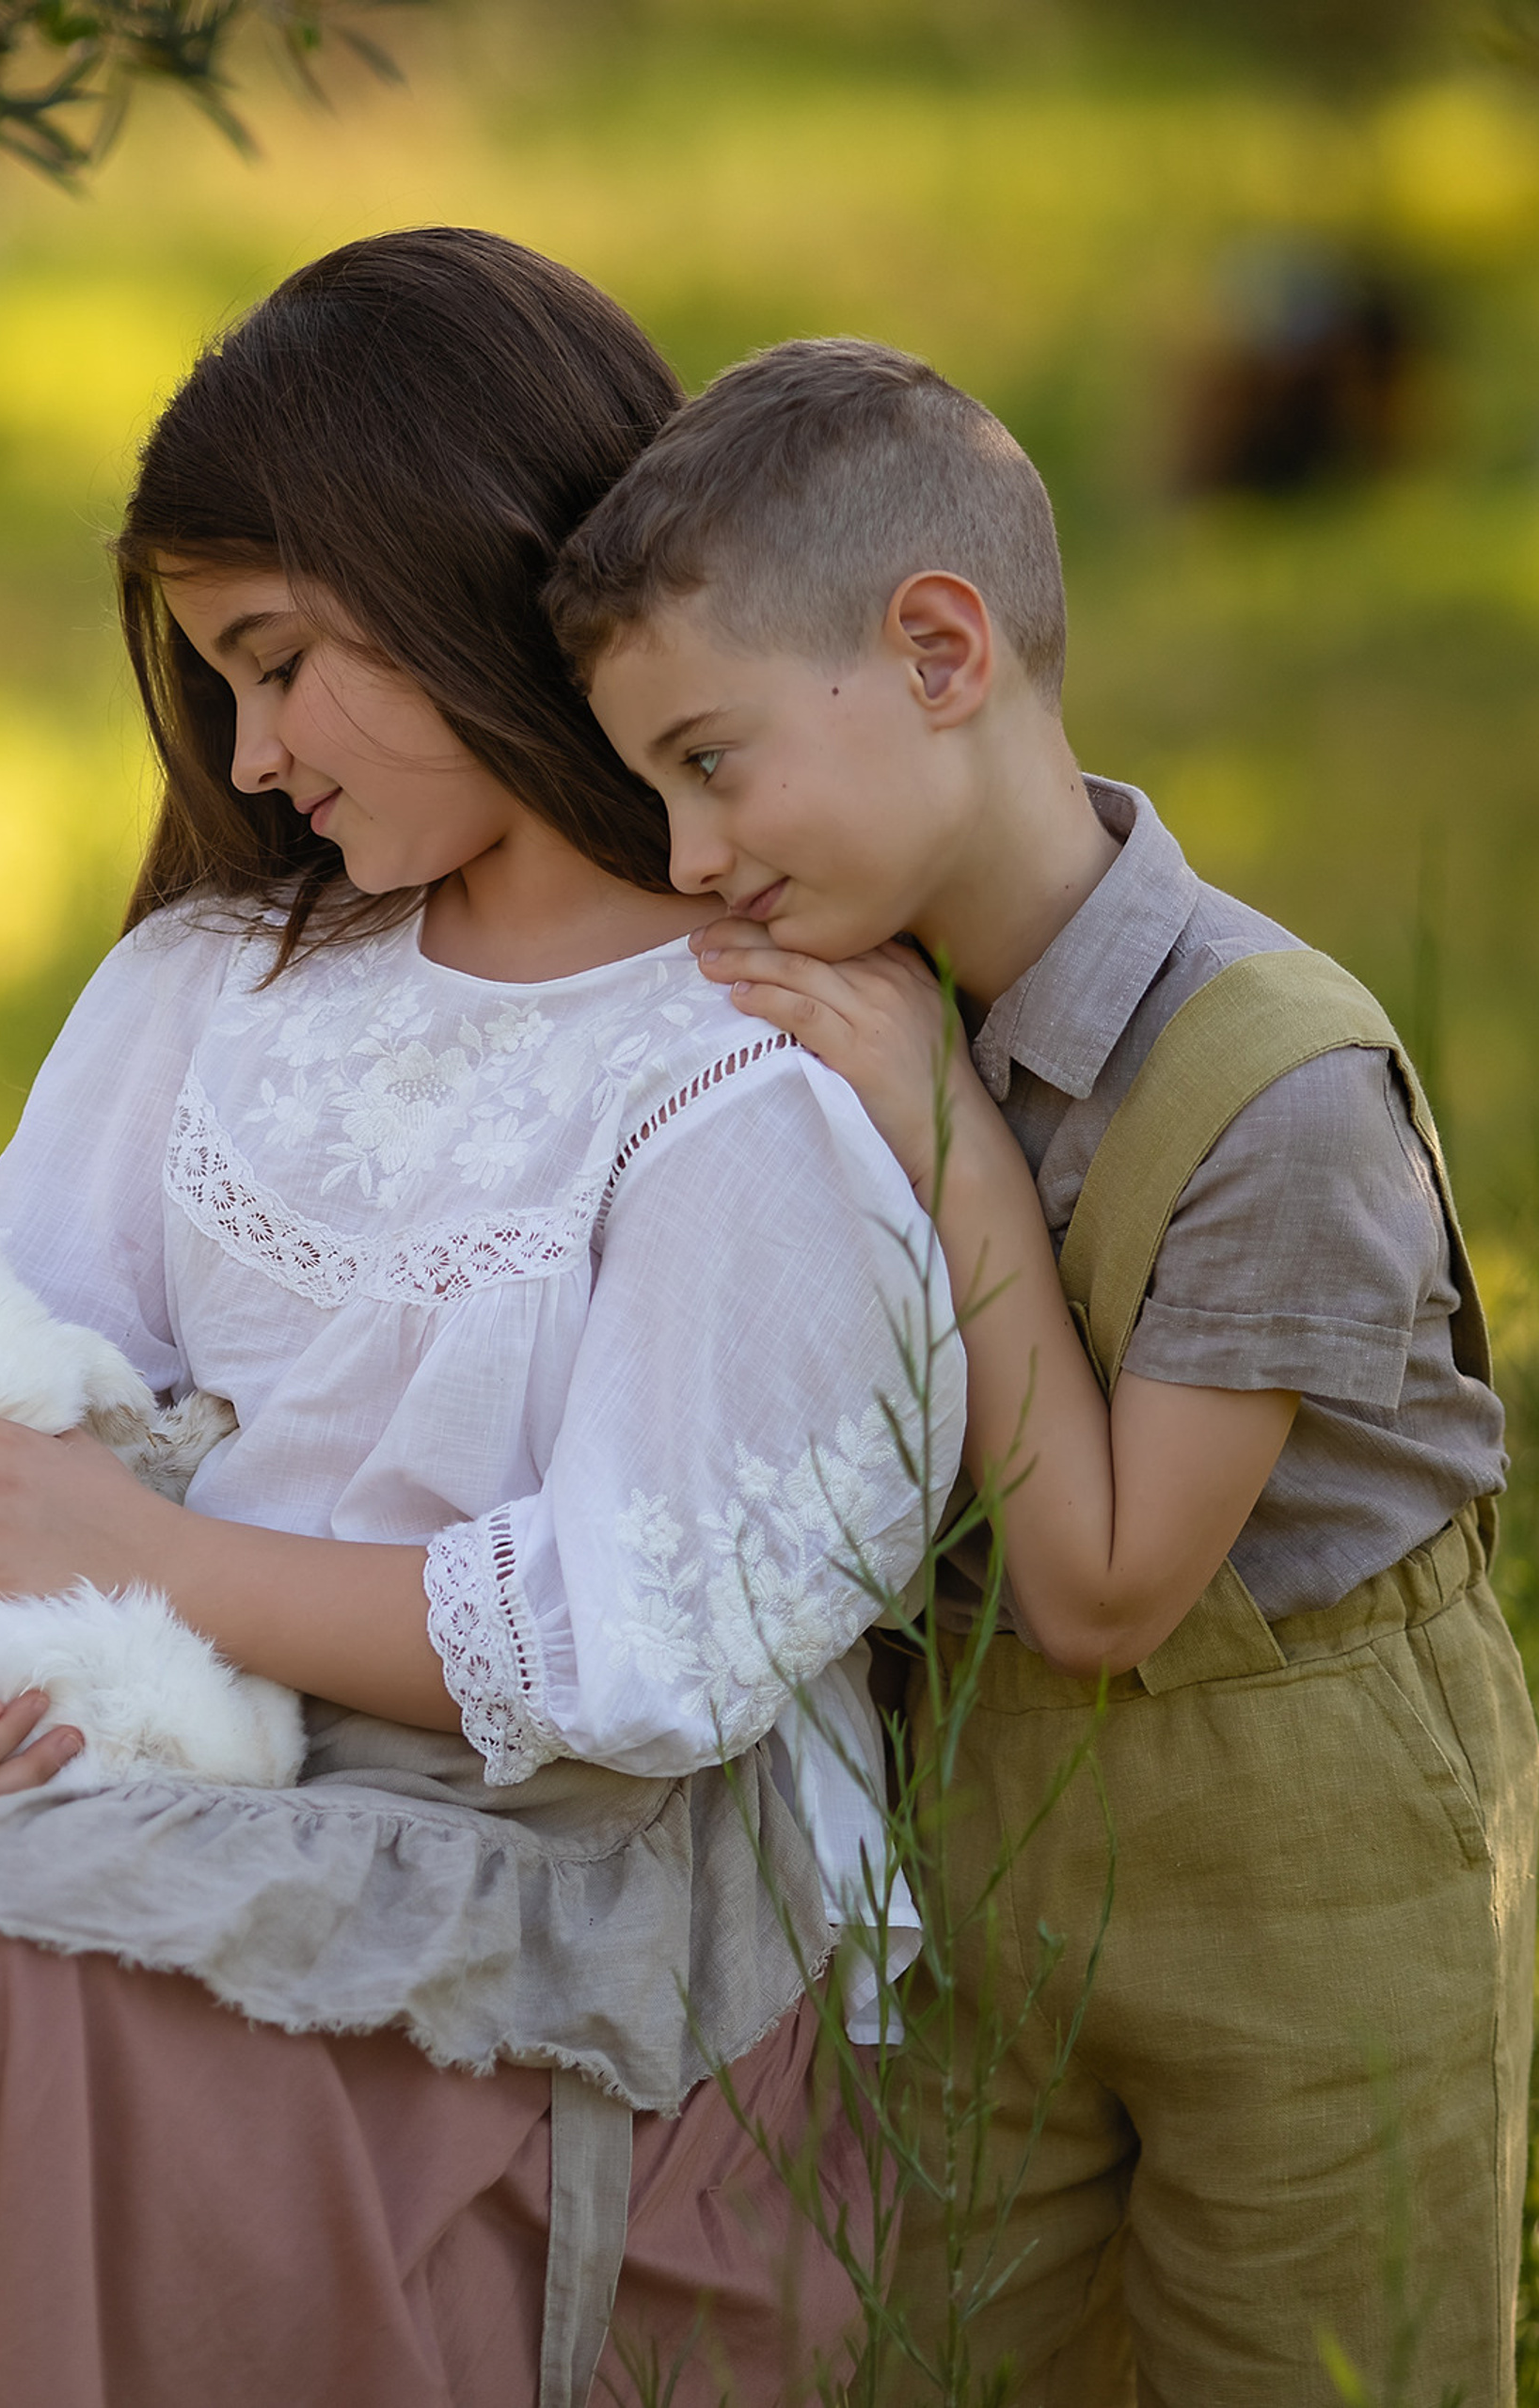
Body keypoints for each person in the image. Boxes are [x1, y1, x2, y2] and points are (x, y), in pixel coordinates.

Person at [0, 237, 965, 2408]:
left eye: (276, 661)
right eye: (212, 683)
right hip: (139, 1733)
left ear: (454, 573)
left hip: (542, 1872)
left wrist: (136, 1551)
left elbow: (644, 1645)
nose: (244, 758)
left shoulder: (732, 1056)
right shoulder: (214, 987)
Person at [549, 333, 1537, 2405]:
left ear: (935, 651)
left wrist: (946, 1133)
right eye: (648, 788)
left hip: (1319, 1895)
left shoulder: (1275, 1086)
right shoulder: (874, 1001)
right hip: (1000, 1880)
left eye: (707, 761)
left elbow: (1099, 1586)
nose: (684, 854)